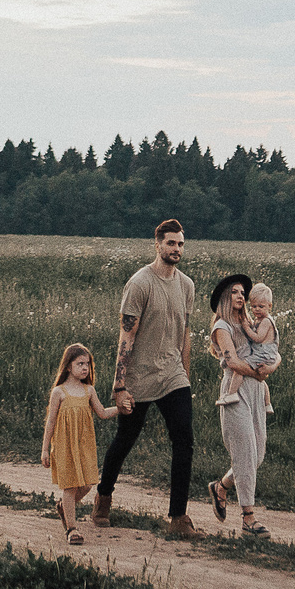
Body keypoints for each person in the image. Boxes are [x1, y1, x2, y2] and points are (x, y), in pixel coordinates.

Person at [96, 218, 200, 537]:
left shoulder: (186, 285)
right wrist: (119, 385)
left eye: (181, 244)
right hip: (138, 378)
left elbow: (184, 335)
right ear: (157, 244)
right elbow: (126, 337)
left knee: (184, 440)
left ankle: (178, 518)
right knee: (125, 440)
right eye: (171, 243)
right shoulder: (140, 283)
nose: (176, 249)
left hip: (173, 376)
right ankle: (103, 497)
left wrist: (185, 376)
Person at [206, 276, 279, 534]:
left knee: (256, 454)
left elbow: (273, 349)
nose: (240, 296)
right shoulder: (222, 327)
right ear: (225, 298)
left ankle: (221, 487)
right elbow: (233, 362)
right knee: (245, 454)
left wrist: (271, 366)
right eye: (234, 292)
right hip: (235, 392)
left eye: (242, 292)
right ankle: (248, 518)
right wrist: (258, 373)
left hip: (257, 391)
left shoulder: (252, 322)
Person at [39, 342, 117, 544]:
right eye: (80, 363)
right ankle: (72, 530)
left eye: (88, 364)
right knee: (70, 486)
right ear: (68, 367)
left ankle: (65, 506)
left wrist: (121, 409)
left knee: (89, 484)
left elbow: (102, 413)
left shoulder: (89, 390)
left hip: (84, 445)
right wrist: (45, 449)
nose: (85, 368)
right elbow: (51, 422)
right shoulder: (59, 392)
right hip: (64, 446)